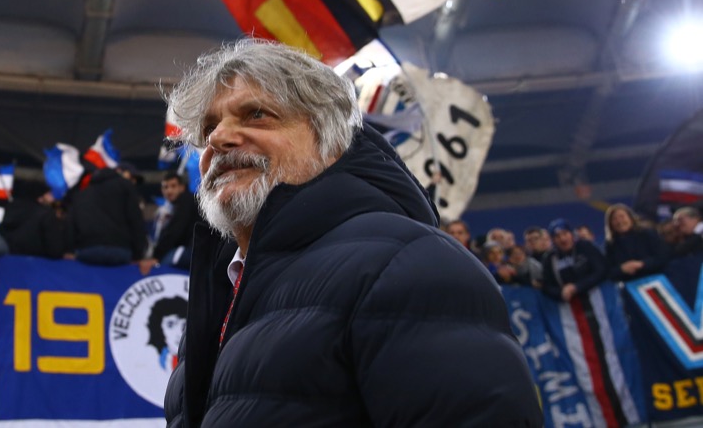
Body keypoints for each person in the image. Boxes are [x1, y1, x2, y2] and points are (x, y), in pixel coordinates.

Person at [162, 40, 541, 427]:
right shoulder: (219, 298)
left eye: (256, 114)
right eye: (209, 128)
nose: (218, 138)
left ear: (331, 143)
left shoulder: (410, 263)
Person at [66, 163, 147, 266]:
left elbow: (70, 223)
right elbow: (136, 221)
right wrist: (138, 255)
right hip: (120, 251)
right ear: (118, 172)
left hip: (87, 251)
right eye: (131, 178)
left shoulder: (81, 194)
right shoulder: (126, 188)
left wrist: (69, 251)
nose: (133, 182)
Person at [140, 172, 205, 273]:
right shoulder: (178, 205)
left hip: (197, 251)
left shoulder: (186, 201)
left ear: (182, 188)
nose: (169, 190)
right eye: (165, 187)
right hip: (197, 251)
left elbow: (175, 230)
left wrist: (156, 257)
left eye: (173, 186)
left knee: (159, 269)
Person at [541, 218, 607, 302]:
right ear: (553, 240)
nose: (562, 239)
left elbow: (602, 270)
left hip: (598, 298)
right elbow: (546, 286)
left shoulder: (585, 247)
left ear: (571, 234)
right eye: (557, 236)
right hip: (569, 305)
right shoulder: (550, 258)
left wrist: (577, 287)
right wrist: (560, 293)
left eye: (565, 233)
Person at [603, 203, 669, 281]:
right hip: (629, 283)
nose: (619, 221)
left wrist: (642, 264)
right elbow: (609, 271)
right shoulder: (611, 245)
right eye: (614, 219)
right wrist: (622, 269)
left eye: (622, 217)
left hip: (655, 279)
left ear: (630, 218)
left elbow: (663, 257)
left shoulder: (647, 234)